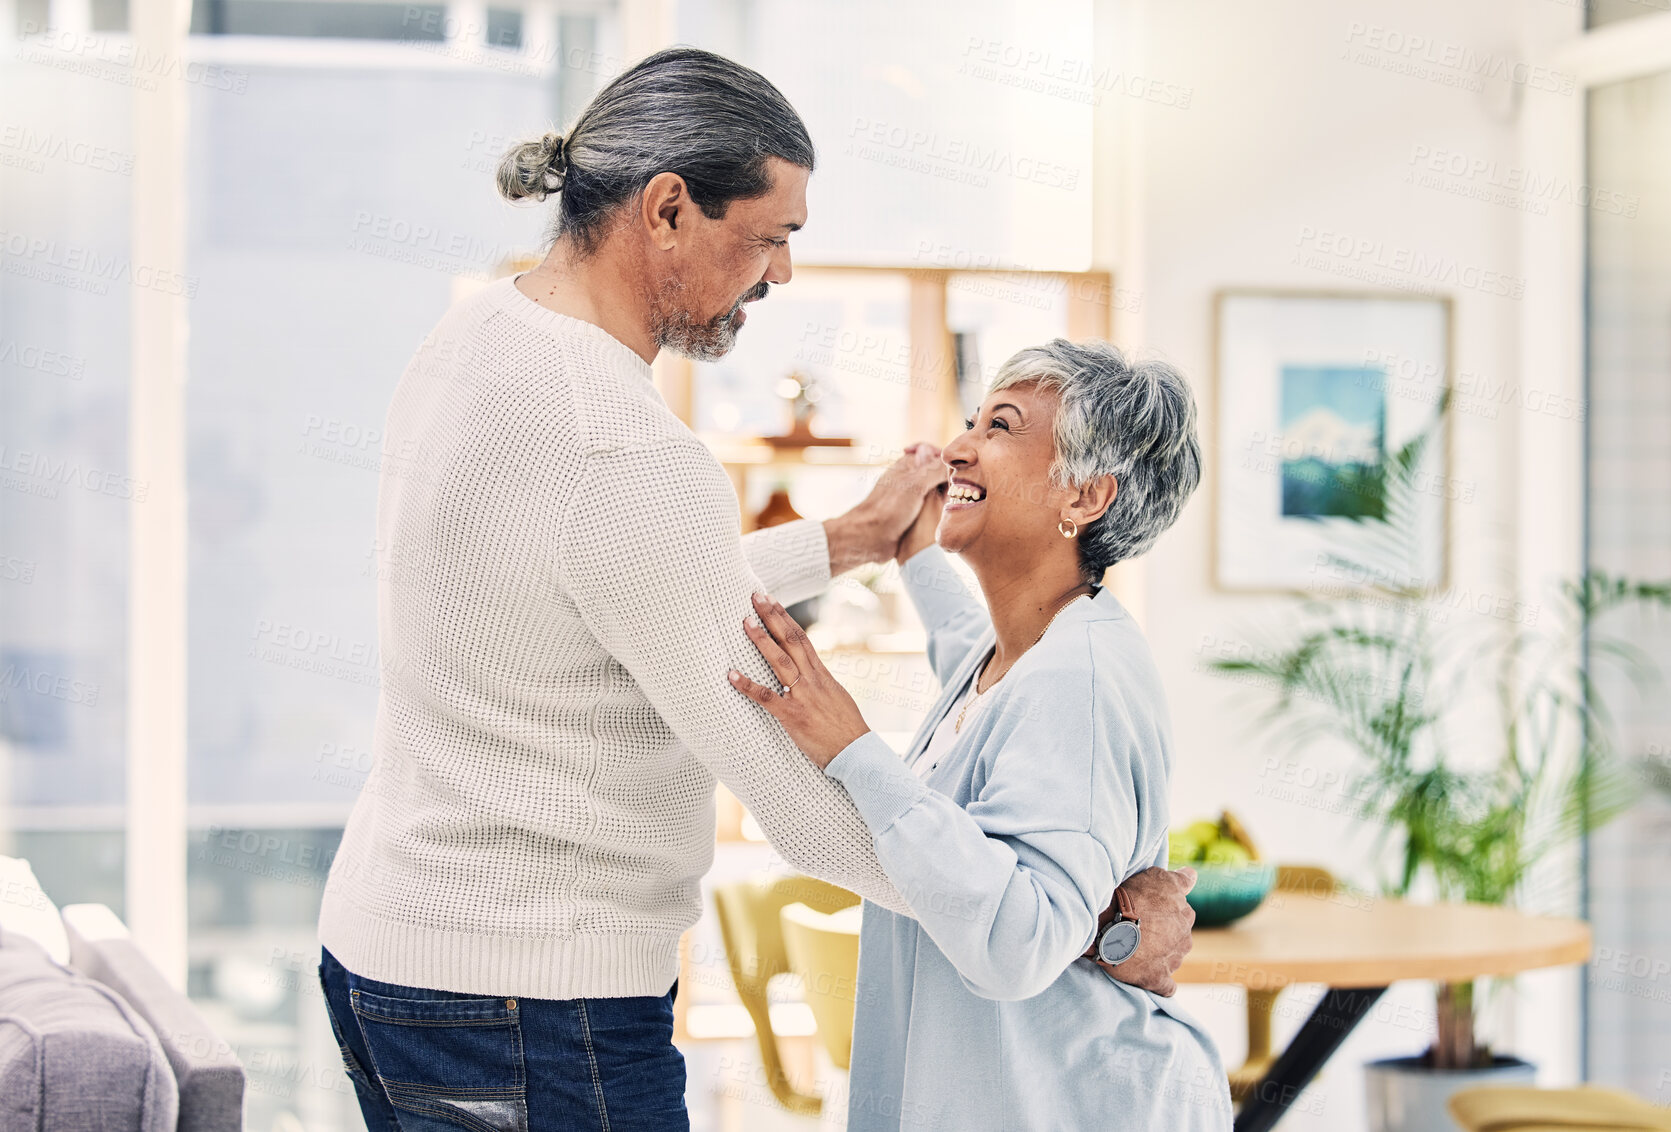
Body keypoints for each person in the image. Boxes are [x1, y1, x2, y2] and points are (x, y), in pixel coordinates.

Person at [315, 48, 1194, 1131]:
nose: (779, 275)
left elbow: (598, 596)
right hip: (531, 994)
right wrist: (1077, 916)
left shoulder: (477, 340)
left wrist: (858, 541)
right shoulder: (624, 449)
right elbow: (810, 818)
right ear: (669, 209)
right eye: (772, 236)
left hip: (390, 952)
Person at [731, 338, 1232, 1131]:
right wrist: (911, 550)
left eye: (1000, 426)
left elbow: (1019, 941)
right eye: (972, 420)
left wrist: (853, 748)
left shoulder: (1078, 680)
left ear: (1084, 498)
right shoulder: (1021, 649)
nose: (959, 447)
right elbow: (966, 651)